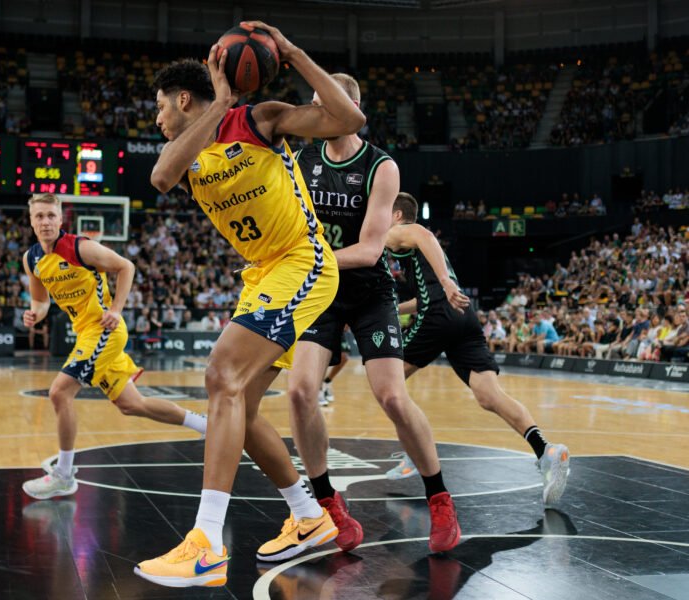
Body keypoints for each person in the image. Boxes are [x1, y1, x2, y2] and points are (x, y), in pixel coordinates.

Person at [135, 21, 363, 588]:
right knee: (244, 406)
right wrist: (219, 106)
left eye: (161, 106)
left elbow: (349, 120)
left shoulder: (259, 120)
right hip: (262, 275)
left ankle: (207, 542)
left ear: (184, 98)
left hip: (303, 263)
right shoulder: (189, 147)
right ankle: (310, 518)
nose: (157, 117)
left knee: (220, 375)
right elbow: (162, 176)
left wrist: (292, 52)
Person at [278, 73, 464, 557]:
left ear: (350, 108)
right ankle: (328, 504)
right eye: (313, 106)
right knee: (298, 391)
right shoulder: (303, 160)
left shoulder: (382, 167)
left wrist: (305, 260)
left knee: (392, 397)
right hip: (321, 291)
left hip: (367, 290)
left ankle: (440, 498)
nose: (316, 115)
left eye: (325, 106)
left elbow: (367, 249)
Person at [385, 193, 570, 506]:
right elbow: (420, 299)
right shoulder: (420, 257)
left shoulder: (404, 231)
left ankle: (414, 452)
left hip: (440, 312)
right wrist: (394, 309)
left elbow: (424, 235)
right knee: (489, 395)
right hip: (462, 317)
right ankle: (547, 451)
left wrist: (445, 283)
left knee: (387, 382)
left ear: (398, 214)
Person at [20, 193, 207, 500]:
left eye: (51, 216)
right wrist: (35, 314)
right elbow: (40, 301)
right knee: (133, 405)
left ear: (60, 219)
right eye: (39, 216)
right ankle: (205, 426)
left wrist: (117, 309)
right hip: (85, 334)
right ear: (31, 220)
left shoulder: (80, 247)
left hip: (105, 330)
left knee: (59, 392)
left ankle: (64, 475)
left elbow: (126, 267)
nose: (45, 222)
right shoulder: (32, 259)